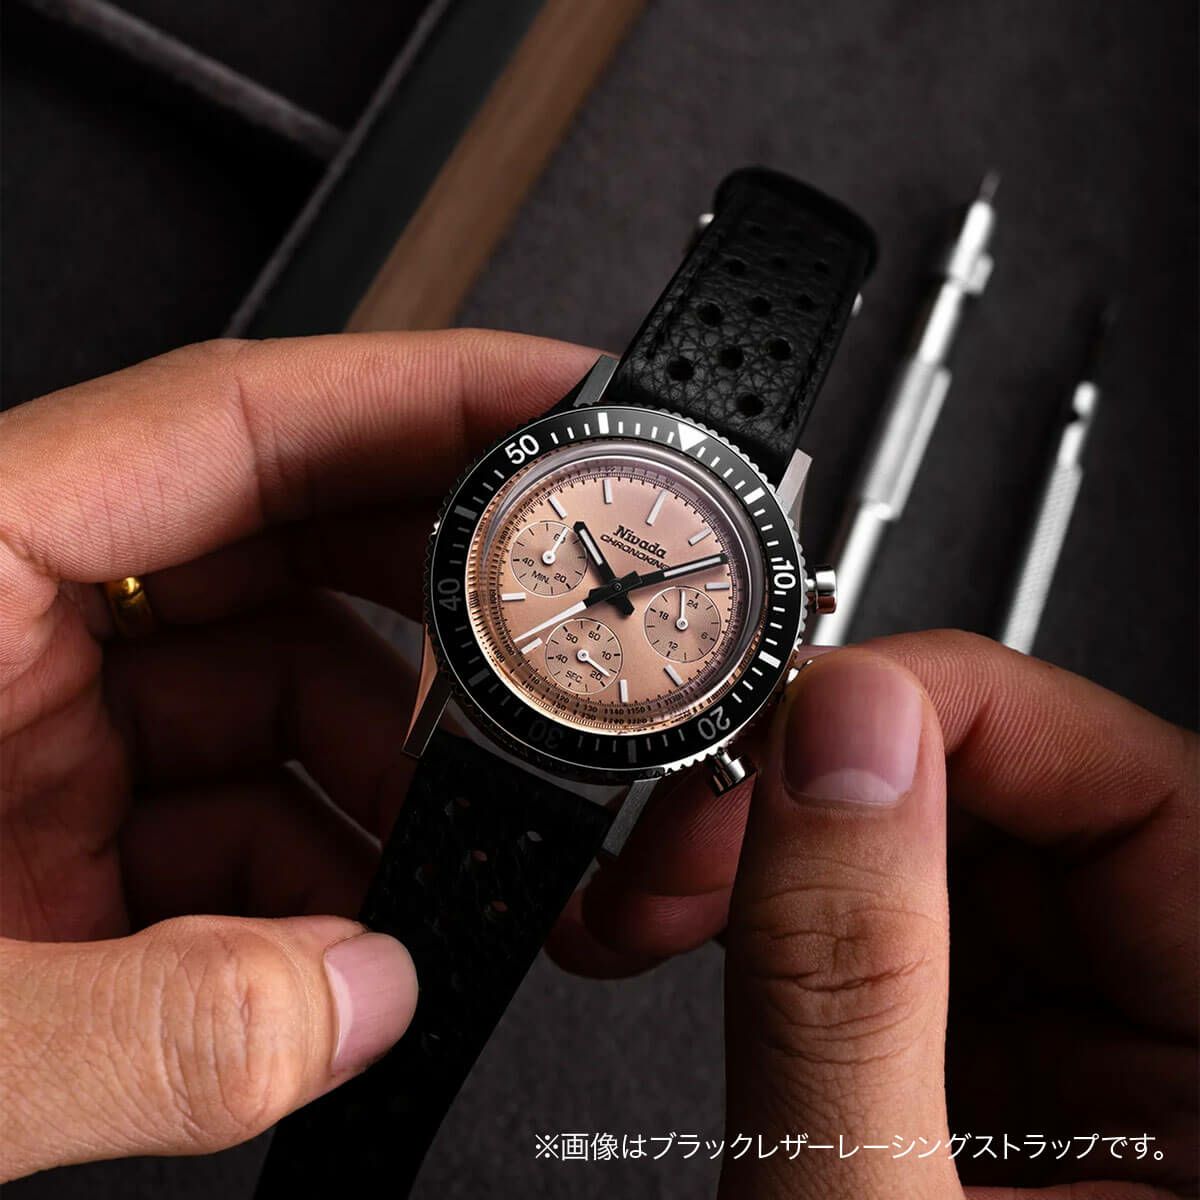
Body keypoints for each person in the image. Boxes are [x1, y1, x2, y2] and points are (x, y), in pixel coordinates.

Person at [0, 332, 1194, 1198]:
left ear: (787, 612)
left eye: (647, 589)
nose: (619, 590)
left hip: (558, 746)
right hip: (504, 705)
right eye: (604, 568)